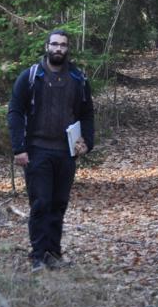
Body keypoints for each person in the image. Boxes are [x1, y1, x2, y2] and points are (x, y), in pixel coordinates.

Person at [7, 30, 94, 271]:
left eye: (63, 45)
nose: (58, 49)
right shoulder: (31, 77)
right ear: (47, 46)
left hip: (66, 153)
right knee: (41, 203)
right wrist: (19, 148)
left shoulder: (78, 78)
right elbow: (15, 111)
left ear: (68, 49)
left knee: (58, 204)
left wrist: (86, 141)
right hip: (37, 151)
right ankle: (37, 256)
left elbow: (87, 113)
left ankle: (53, 254)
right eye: (54, 44)